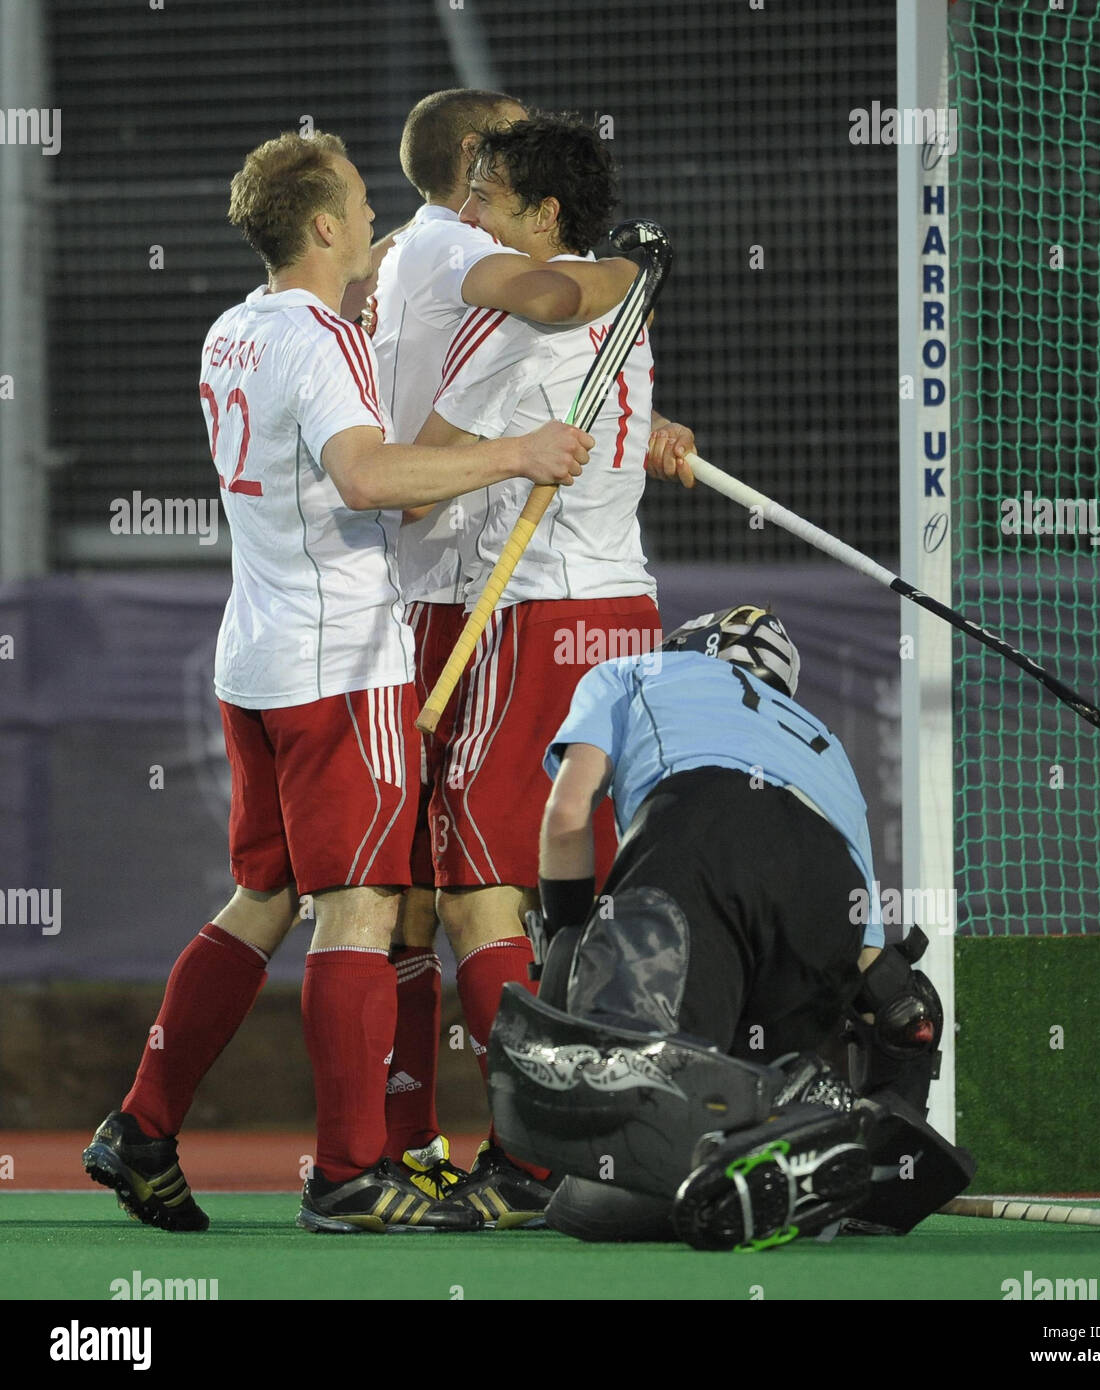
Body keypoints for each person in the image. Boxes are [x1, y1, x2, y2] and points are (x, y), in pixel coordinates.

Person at [81, 129, 593, 1235]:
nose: (374, 218)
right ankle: (351, 1170)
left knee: (266, 897)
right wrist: (517, 452)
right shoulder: (319, 340)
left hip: (255, 659)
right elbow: (367, 477)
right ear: (322, 227)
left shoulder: (233, 331)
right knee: (359, 904)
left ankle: (143, 1124)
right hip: (339, 662)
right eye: (360, 204)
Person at [345, 91, 697, 1217]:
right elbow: (616, 427)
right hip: (622, 620)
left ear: (545, 214)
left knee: (470, 887)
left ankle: (540, 1149)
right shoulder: (625, 310)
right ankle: (532, 1135)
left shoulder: (515, 312)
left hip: (524, 618)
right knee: (563, 895)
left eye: (493, 201)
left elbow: (418, 473)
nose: (476, 217)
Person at [486, 604, 974, 1249]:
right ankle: (798, 1116)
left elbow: (568, 814)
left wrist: (570, 934)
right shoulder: (820, 737)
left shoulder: (633, 669)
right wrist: (899, 1075)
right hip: (826, 895)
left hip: (695, 843)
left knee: (591, 1196)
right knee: (728, 1099)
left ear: (693, 644)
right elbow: (880, 972)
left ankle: (709, 1161)